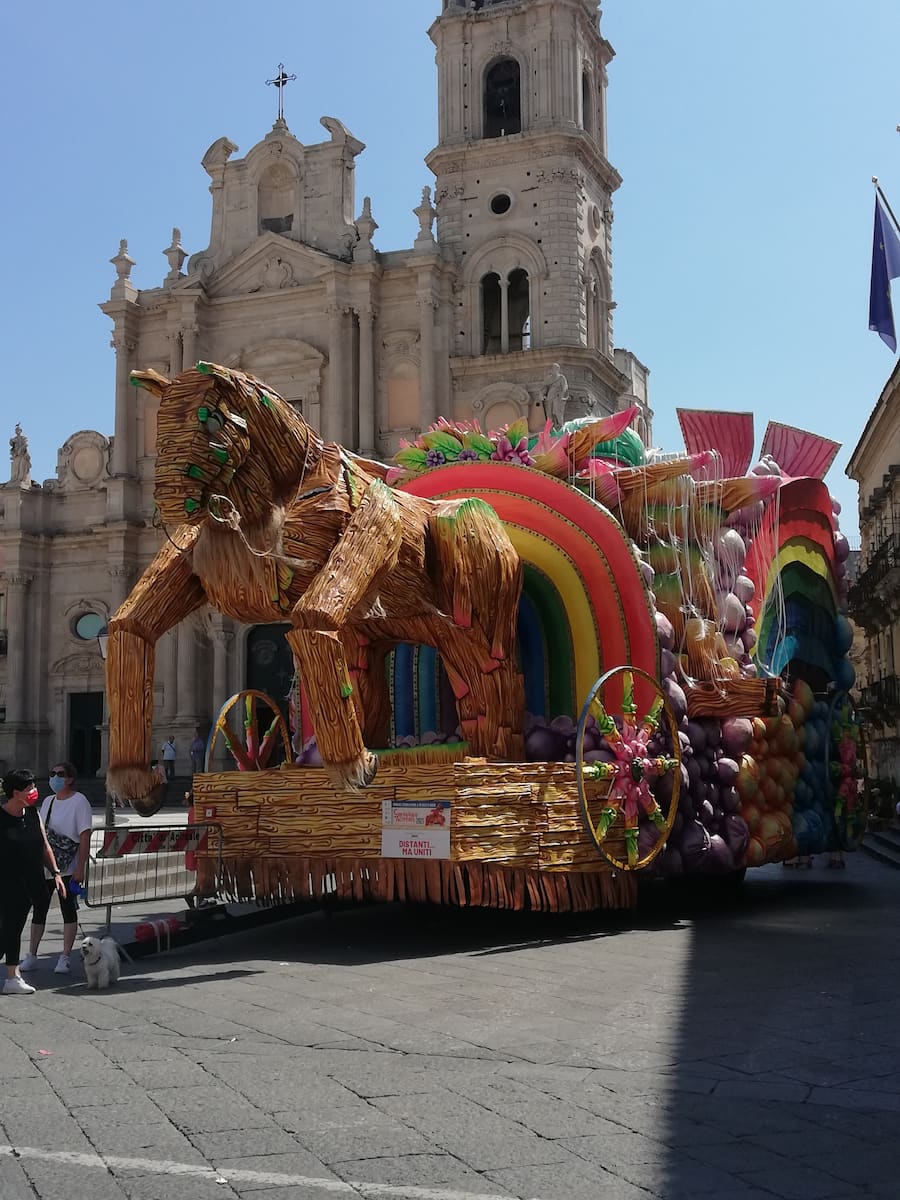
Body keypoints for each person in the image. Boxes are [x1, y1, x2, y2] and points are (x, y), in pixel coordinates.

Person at [20, 762, 93, 976]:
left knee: (67, 910)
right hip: (48, 866)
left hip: (69, 867)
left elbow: (84, 836)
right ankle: (32, 954)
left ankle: (65, 957)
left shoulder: (80, 801)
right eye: (52, 773)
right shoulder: (49, 801)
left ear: (70, 778)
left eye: (60, 774)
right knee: (39, 909)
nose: (55, 777)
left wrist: (81, 868)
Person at [0, 769, 66, 995]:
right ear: (16, 792)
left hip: (33, 879)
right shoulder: (1, 818)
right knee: (12, 926)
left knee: (9, 930)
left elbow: (44, 844)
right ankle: (12, 977)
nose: (34, 792)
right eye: (29, 789)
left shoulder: (32, 813)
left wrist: (56, 872)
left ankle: (11, 974)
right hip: (8, 881)